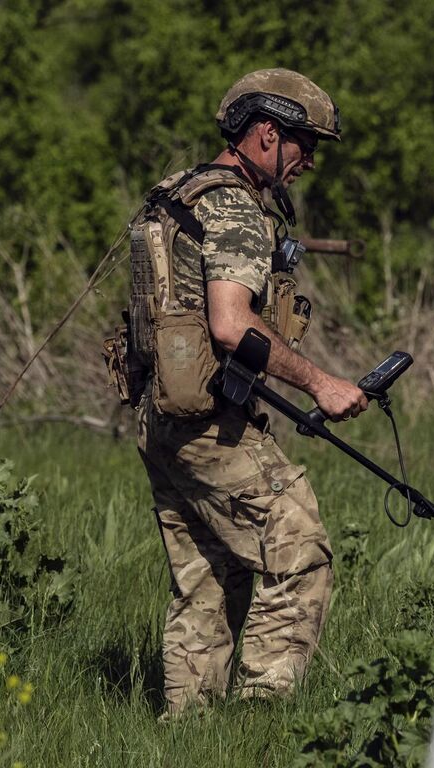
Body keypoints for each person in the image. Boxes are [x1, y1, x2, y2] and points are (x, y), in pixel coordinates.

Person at [121, 68, 369, 718]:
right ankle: (260, 725)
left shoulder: (178, 194)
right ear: (265, 134)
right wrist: (322, 382)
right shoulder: (232, 205)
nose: (309, 161)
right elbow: (231, 324)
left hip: (160, 419)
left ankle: (191, 736)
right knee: (301, 549)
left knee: (207, 582)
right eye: (304, 144)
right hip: (208, 428)